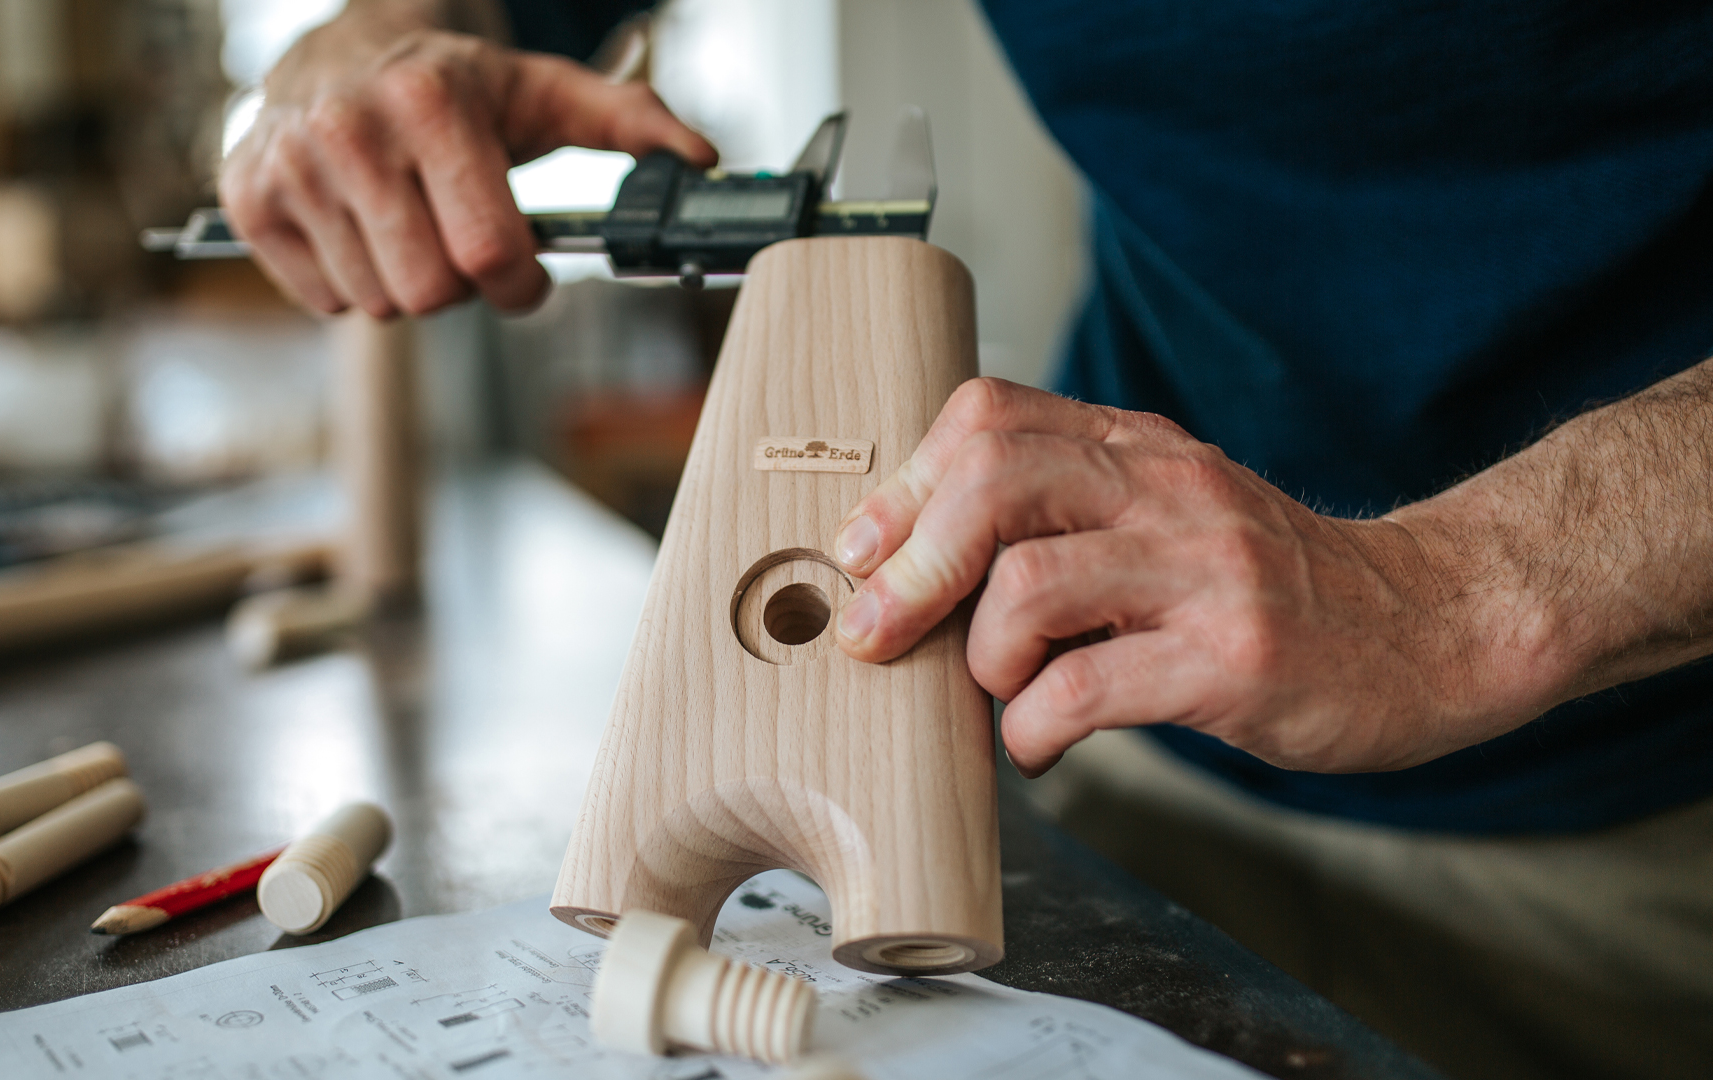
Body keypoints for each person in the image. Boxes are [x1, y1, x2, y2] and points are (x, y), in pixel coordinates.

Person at [221, 3, 1713, 1076]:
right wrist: (369, 44)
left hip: (1640, 805)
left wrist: (1469, 589)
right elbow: (452, 27)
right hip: (1110, 734)